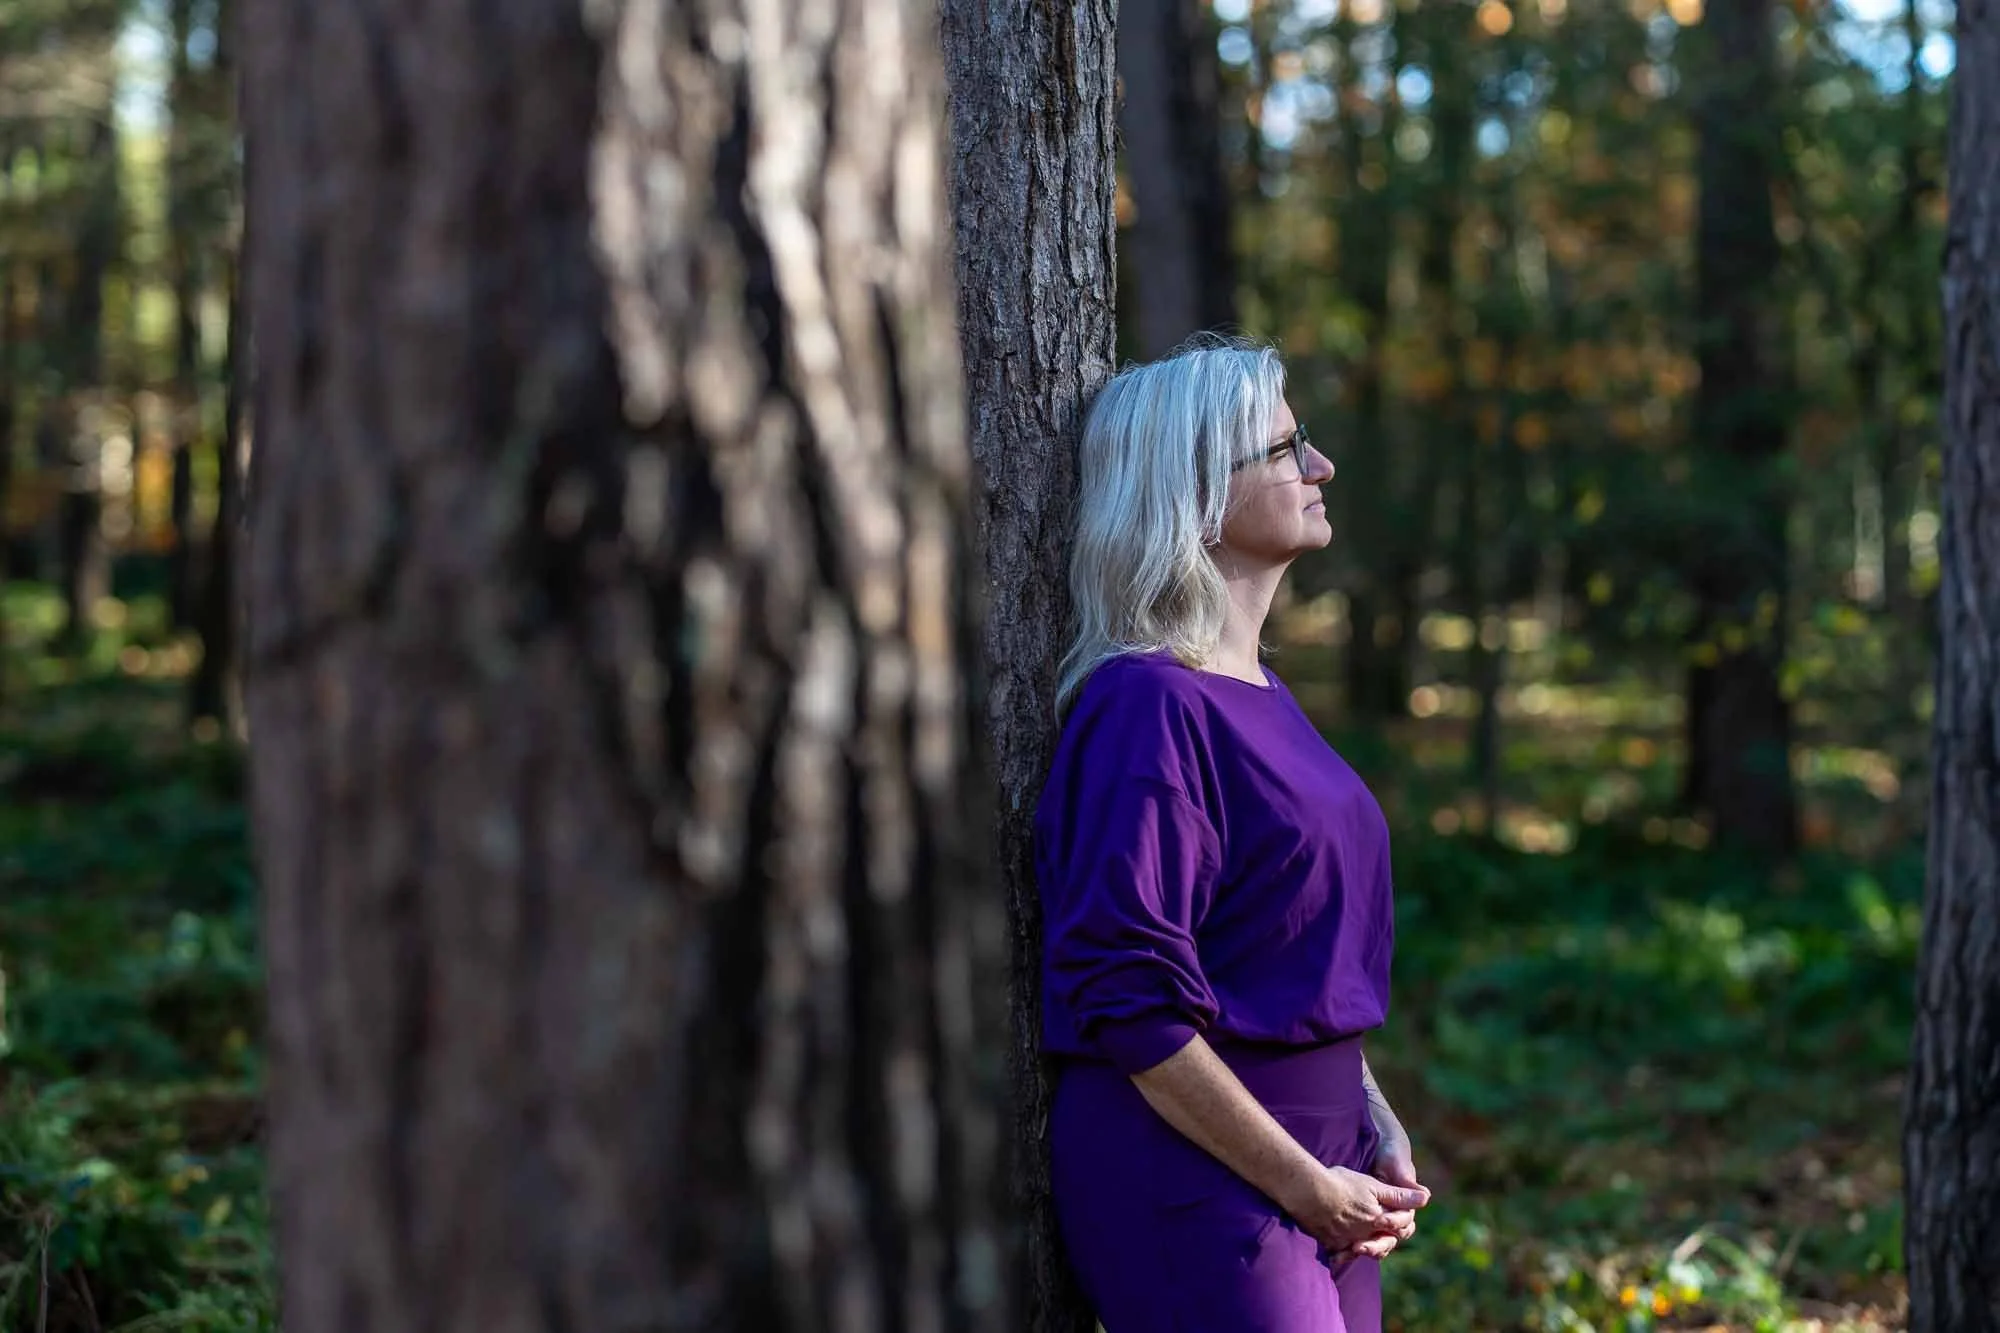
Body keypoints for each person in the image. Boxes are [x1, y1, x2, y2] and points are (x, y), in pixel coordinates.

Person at [1035, 335, 1429, 1332]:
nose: (1320, 466)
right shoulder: (1146, 705)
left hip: (1327, 1168)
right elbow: (1125, 996)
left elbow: (1281, 954)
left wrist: (1371, 1114)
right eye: (1288, 448)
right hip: (1199, 1174)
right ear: (1199, 493)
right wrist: (1300, 1180)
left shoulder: (1262, 695)